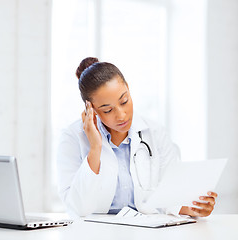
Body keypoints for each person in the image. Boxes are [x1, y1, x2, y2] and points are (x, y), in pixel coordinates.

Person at [57, 57, 218, 217]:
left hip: (146, 230)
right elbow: (77, 208)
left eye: (124, 101)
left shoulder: (155, 133)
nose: (121, 115)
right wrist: (95, 148)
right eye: (107, 110)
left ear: (128, 88)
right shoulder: (72, 138)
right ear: (90, 108)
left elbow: (168, 196)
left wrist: (194, 207)